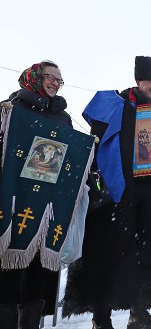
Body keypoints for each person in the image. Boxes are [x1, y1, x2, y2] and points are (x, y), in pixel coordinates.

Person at [62, 56, 151, 329]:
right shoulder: (119, 105)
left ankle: (139, 312)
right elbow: (97, 143)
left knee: (147, 255)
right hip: (119, 190)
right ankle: (102, 318)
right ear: (138, 81)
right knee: (108, 253)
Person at [0, 61, 75, 328]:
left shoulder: (63, 118)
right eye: (51, 77)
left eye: (59, 80)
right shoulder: (12, 109)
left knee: (37, 269)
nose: (56, 83)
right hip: (14, 200)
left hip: (48, 205)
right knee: (9, 267)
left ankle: (31, 322)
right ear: (34, 78)